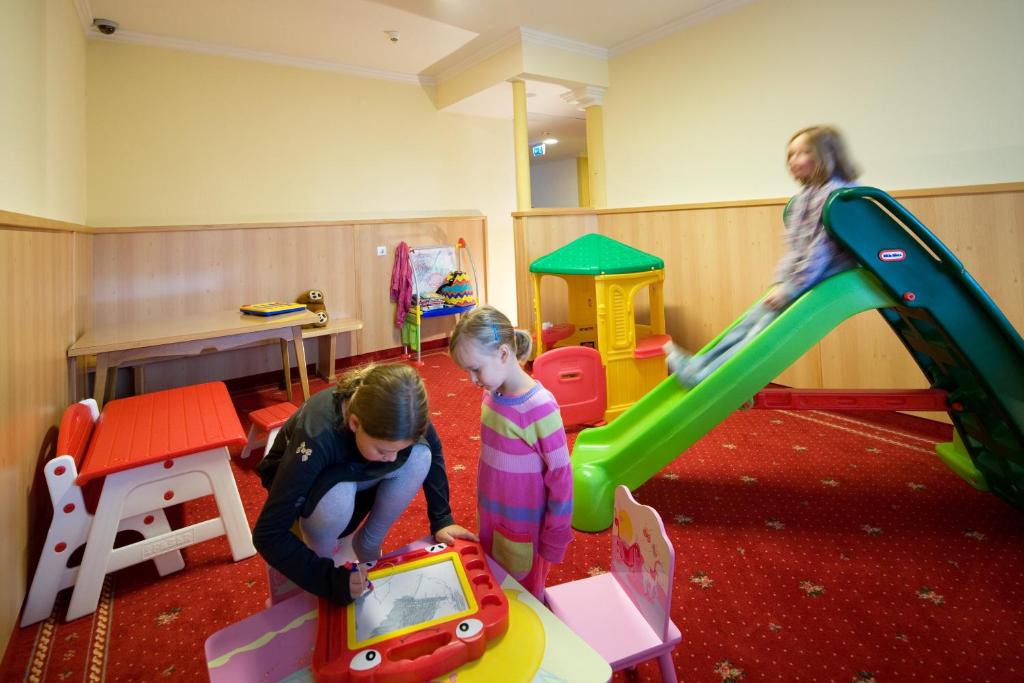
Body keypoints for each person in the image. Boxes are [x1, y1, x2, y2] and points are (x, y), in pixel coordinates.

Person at [252, 363, 477, 605]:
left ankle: (369, 541)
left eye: (397, 449)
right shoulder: (317, 437)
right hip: (309, 485)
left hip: (354, 469)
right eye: (383, 450)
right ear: (355, 424)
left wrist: (442, 519)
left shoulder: (404, 413)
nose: (392, 458)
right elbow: (268, 534)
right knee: (337, 495)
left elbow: (434, 451)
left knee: (420, 455)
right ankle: (323, 554)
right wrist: (329, 580)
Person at [665, 124, 860, 387]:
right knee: (748, 323)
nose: (793, 160)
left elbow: (820, 251)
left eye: (803, 152)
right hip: (801, 278)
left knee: (760, 332)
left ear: (827, 155)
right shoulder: (805, 196)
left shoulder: (835, 195)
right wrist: (781, 281)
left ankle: (705, 376)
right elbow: (795, 248)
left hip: (820, 279)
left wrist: (789, 288)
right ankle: (698, 366)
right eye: (790, 154)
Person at [448, 305, 574, 601]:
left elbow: (561, 478)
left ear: (504, 354)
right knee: (495, 584)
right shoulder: (491, 395)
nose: (472, 379)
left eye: (475, 368)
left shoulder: (540, 407)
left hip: (524, 527)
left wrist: (555, 536)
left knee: (525, 599)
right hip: (492, 515)